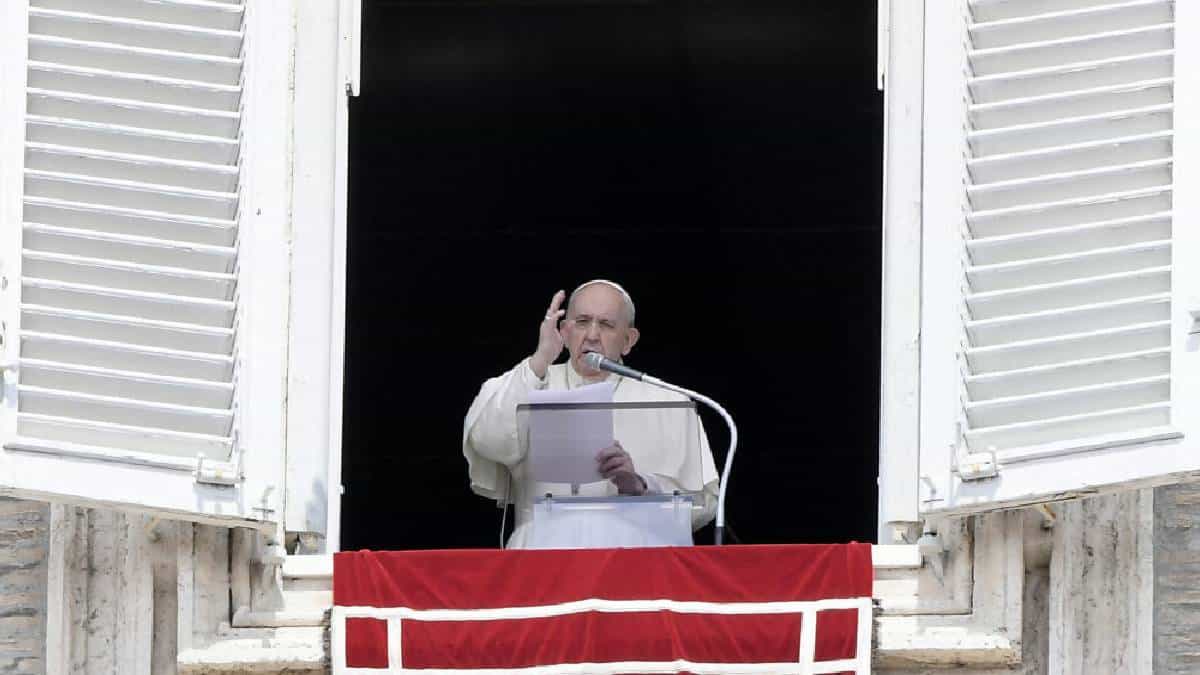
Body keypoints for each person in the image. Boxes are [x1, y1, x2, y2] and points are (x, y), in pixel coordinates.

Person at [462, 280, 719, 548]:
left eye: (606, 325)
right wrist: (540, 358)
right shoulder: (530, 382)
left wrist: (640, 486)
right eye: (582, 322)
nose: (593, 335)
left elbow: (705, 503)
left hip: (636, 566)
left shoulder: (667, 400)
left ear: (629, 340)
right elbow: (488, 441)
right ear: (564, 330)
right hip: (543, 558)